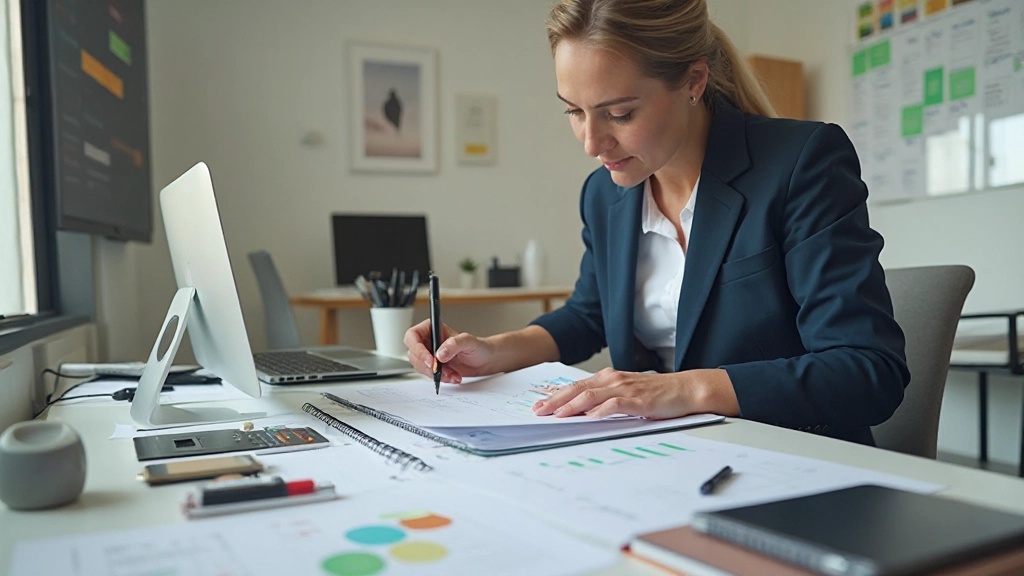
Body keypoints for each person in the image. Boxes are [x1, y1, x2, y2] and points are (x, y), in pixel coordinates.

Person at [404, 0, 908, 446]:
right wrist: (491, 352)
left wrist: (680, 389)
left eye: (619, 113)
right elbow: (589, 314)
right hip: (663, 457)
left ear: (693, 80)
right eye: (574, 111)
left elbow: (867, 370)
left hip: (791, 458)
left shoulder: (800, 162)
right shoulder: (605, 193)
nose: (591, 142)